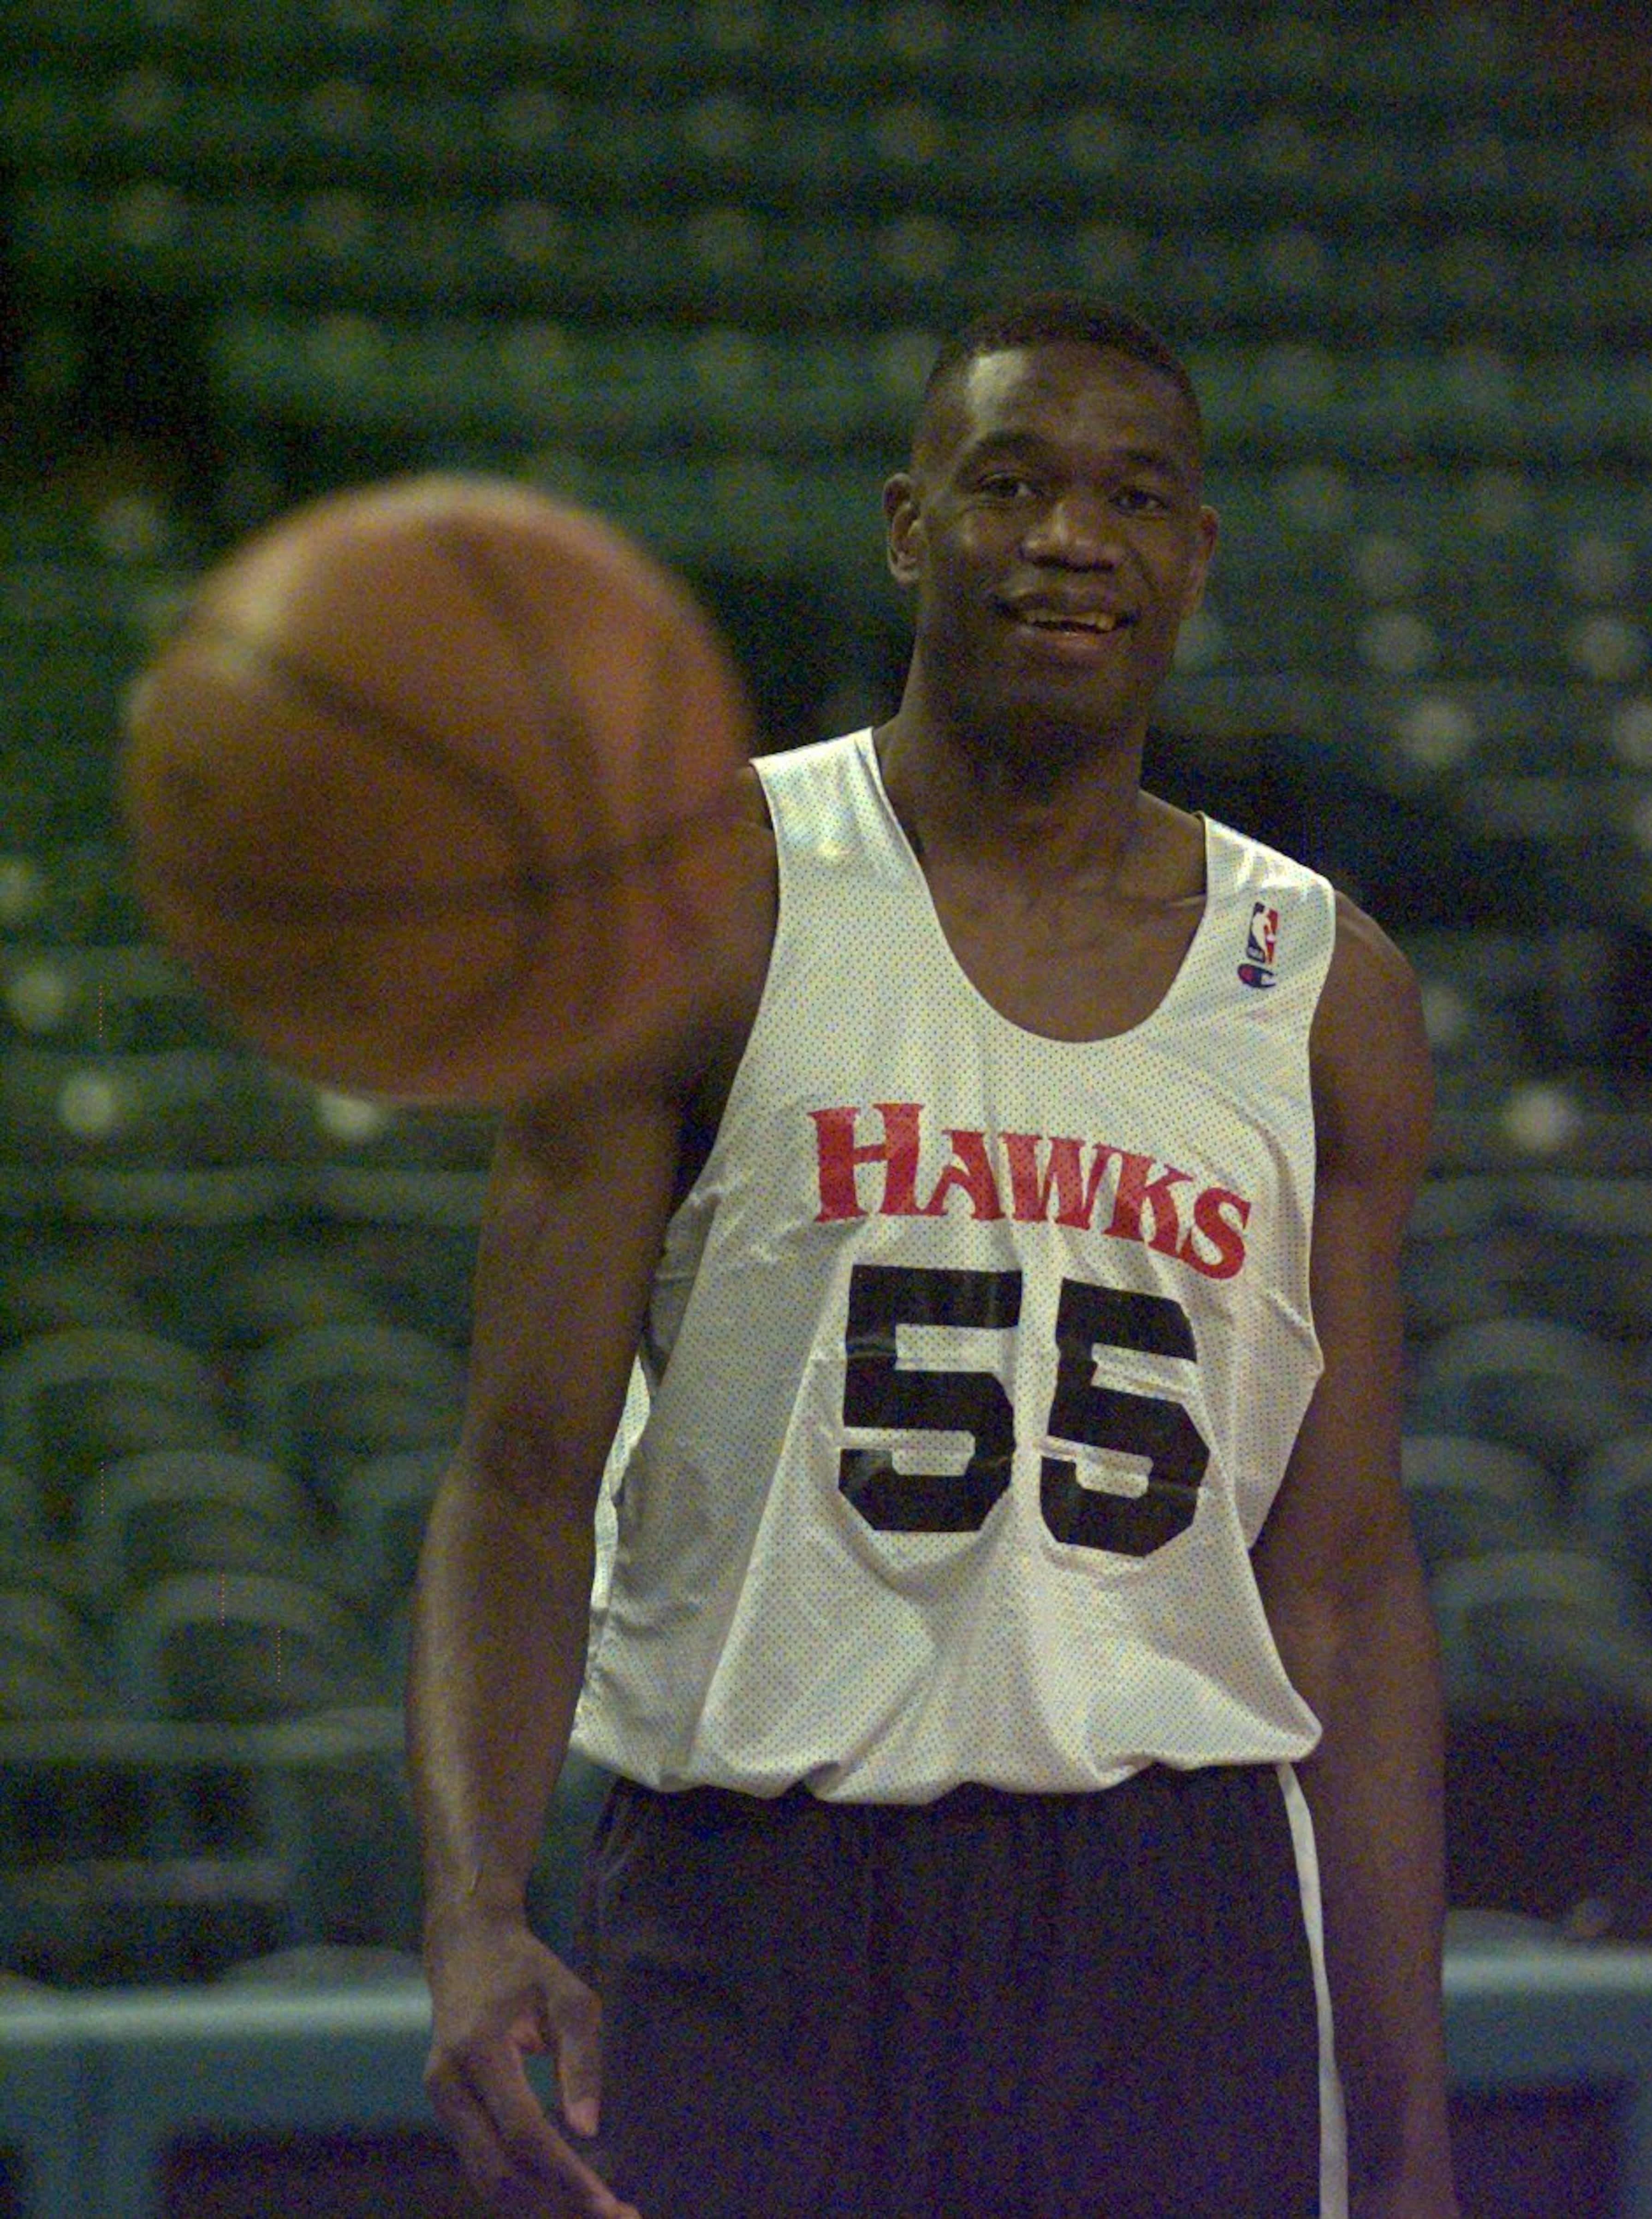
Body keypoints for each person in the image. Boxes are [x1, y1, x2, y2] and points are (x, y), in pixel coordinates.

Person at [409, 293, 1461, 2219]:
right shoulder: (700, 901)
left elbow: (1352, 1588)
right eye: (1012, 485)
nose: (1073, 537)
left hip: (1172, 1903)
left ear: (1195, 557)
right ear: (911, 526)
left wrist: (1404, 2125)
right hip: (761, 1895)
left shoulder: (1320, 989)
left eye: (1134, 497)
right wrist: (475, 1906)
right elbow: (521, 1469)